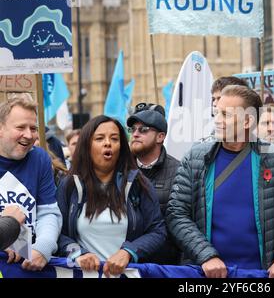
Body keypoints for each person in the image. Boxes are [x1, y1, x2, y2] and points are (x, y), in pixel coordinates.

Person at [166, 84, 274, 278]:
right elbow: (176, 213)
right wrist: (206, 256)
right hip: (206, 273)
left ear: (247, 121)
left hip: (261, 274)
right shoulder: (195, 157)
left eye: (226, 115)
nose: (217, 121)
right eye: (216, 113)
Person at [56, 115, 166, 277]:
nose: (108, 143)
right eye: (99, 138)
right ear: (87, 146)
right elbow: (58, 234)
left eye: (114, 139)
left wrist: (129, 252)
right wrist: (78, 253)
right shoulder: (70, 185)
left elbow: (157, 231)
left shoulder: (138, 184)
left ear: (121, 146)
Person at [0, 97, 62, 271]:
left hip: (30, 266)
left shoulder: (40, 158)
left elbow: (48, 212)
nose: (29, 135)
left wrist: (43, 247)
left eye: (33, 128)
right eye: (20, 127)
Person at [127, 103, 181, 265]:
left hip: (165, 266)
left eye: (143, 130)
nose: (135, 134)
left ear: (160, 137)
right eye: (133, 129)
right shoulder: (118, 170)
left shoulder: (180, 171)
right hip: (125, 265)